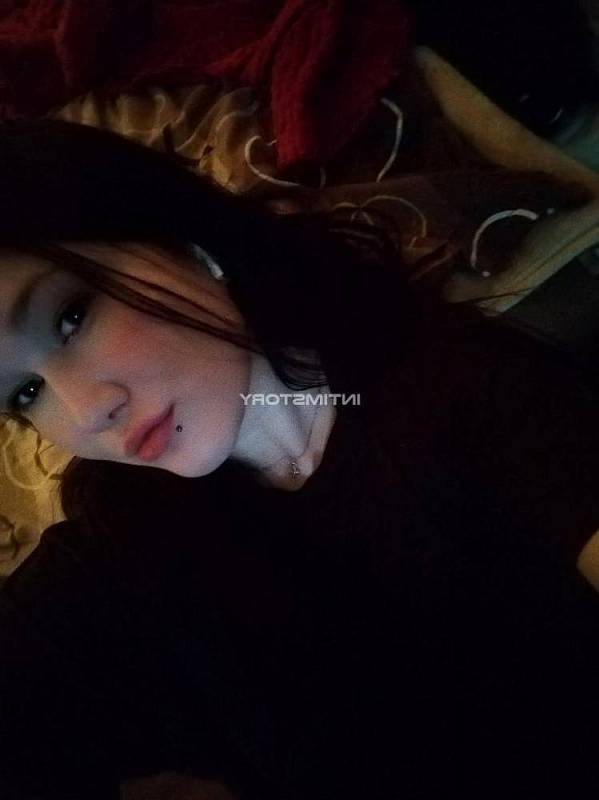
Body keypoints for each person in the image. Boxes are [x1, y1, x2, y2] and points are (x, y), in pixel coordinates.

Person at [1, 118, 599, 800]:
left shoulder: (461, 391)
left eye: (71, 317)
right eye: (25, 393)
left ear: (181, 241)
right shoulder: (121, 537)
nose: (85, 411)